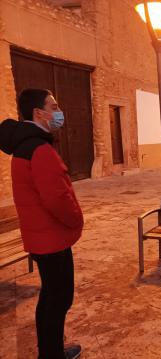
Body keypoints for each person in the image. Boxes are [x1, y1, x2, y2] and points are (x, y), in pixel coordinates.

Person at [0, 89, 84, 358]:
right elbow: (57, 197)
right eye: (54, 106)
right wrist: (76, 219)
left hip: (41, 237)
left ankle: (52, 350)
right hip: (52, 239)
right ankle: (51, 354)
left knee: (50, 297)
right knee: (59, 299)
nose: (58, 112)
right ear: (39, 113)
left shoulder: (24, 147)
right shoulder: (39, 149)